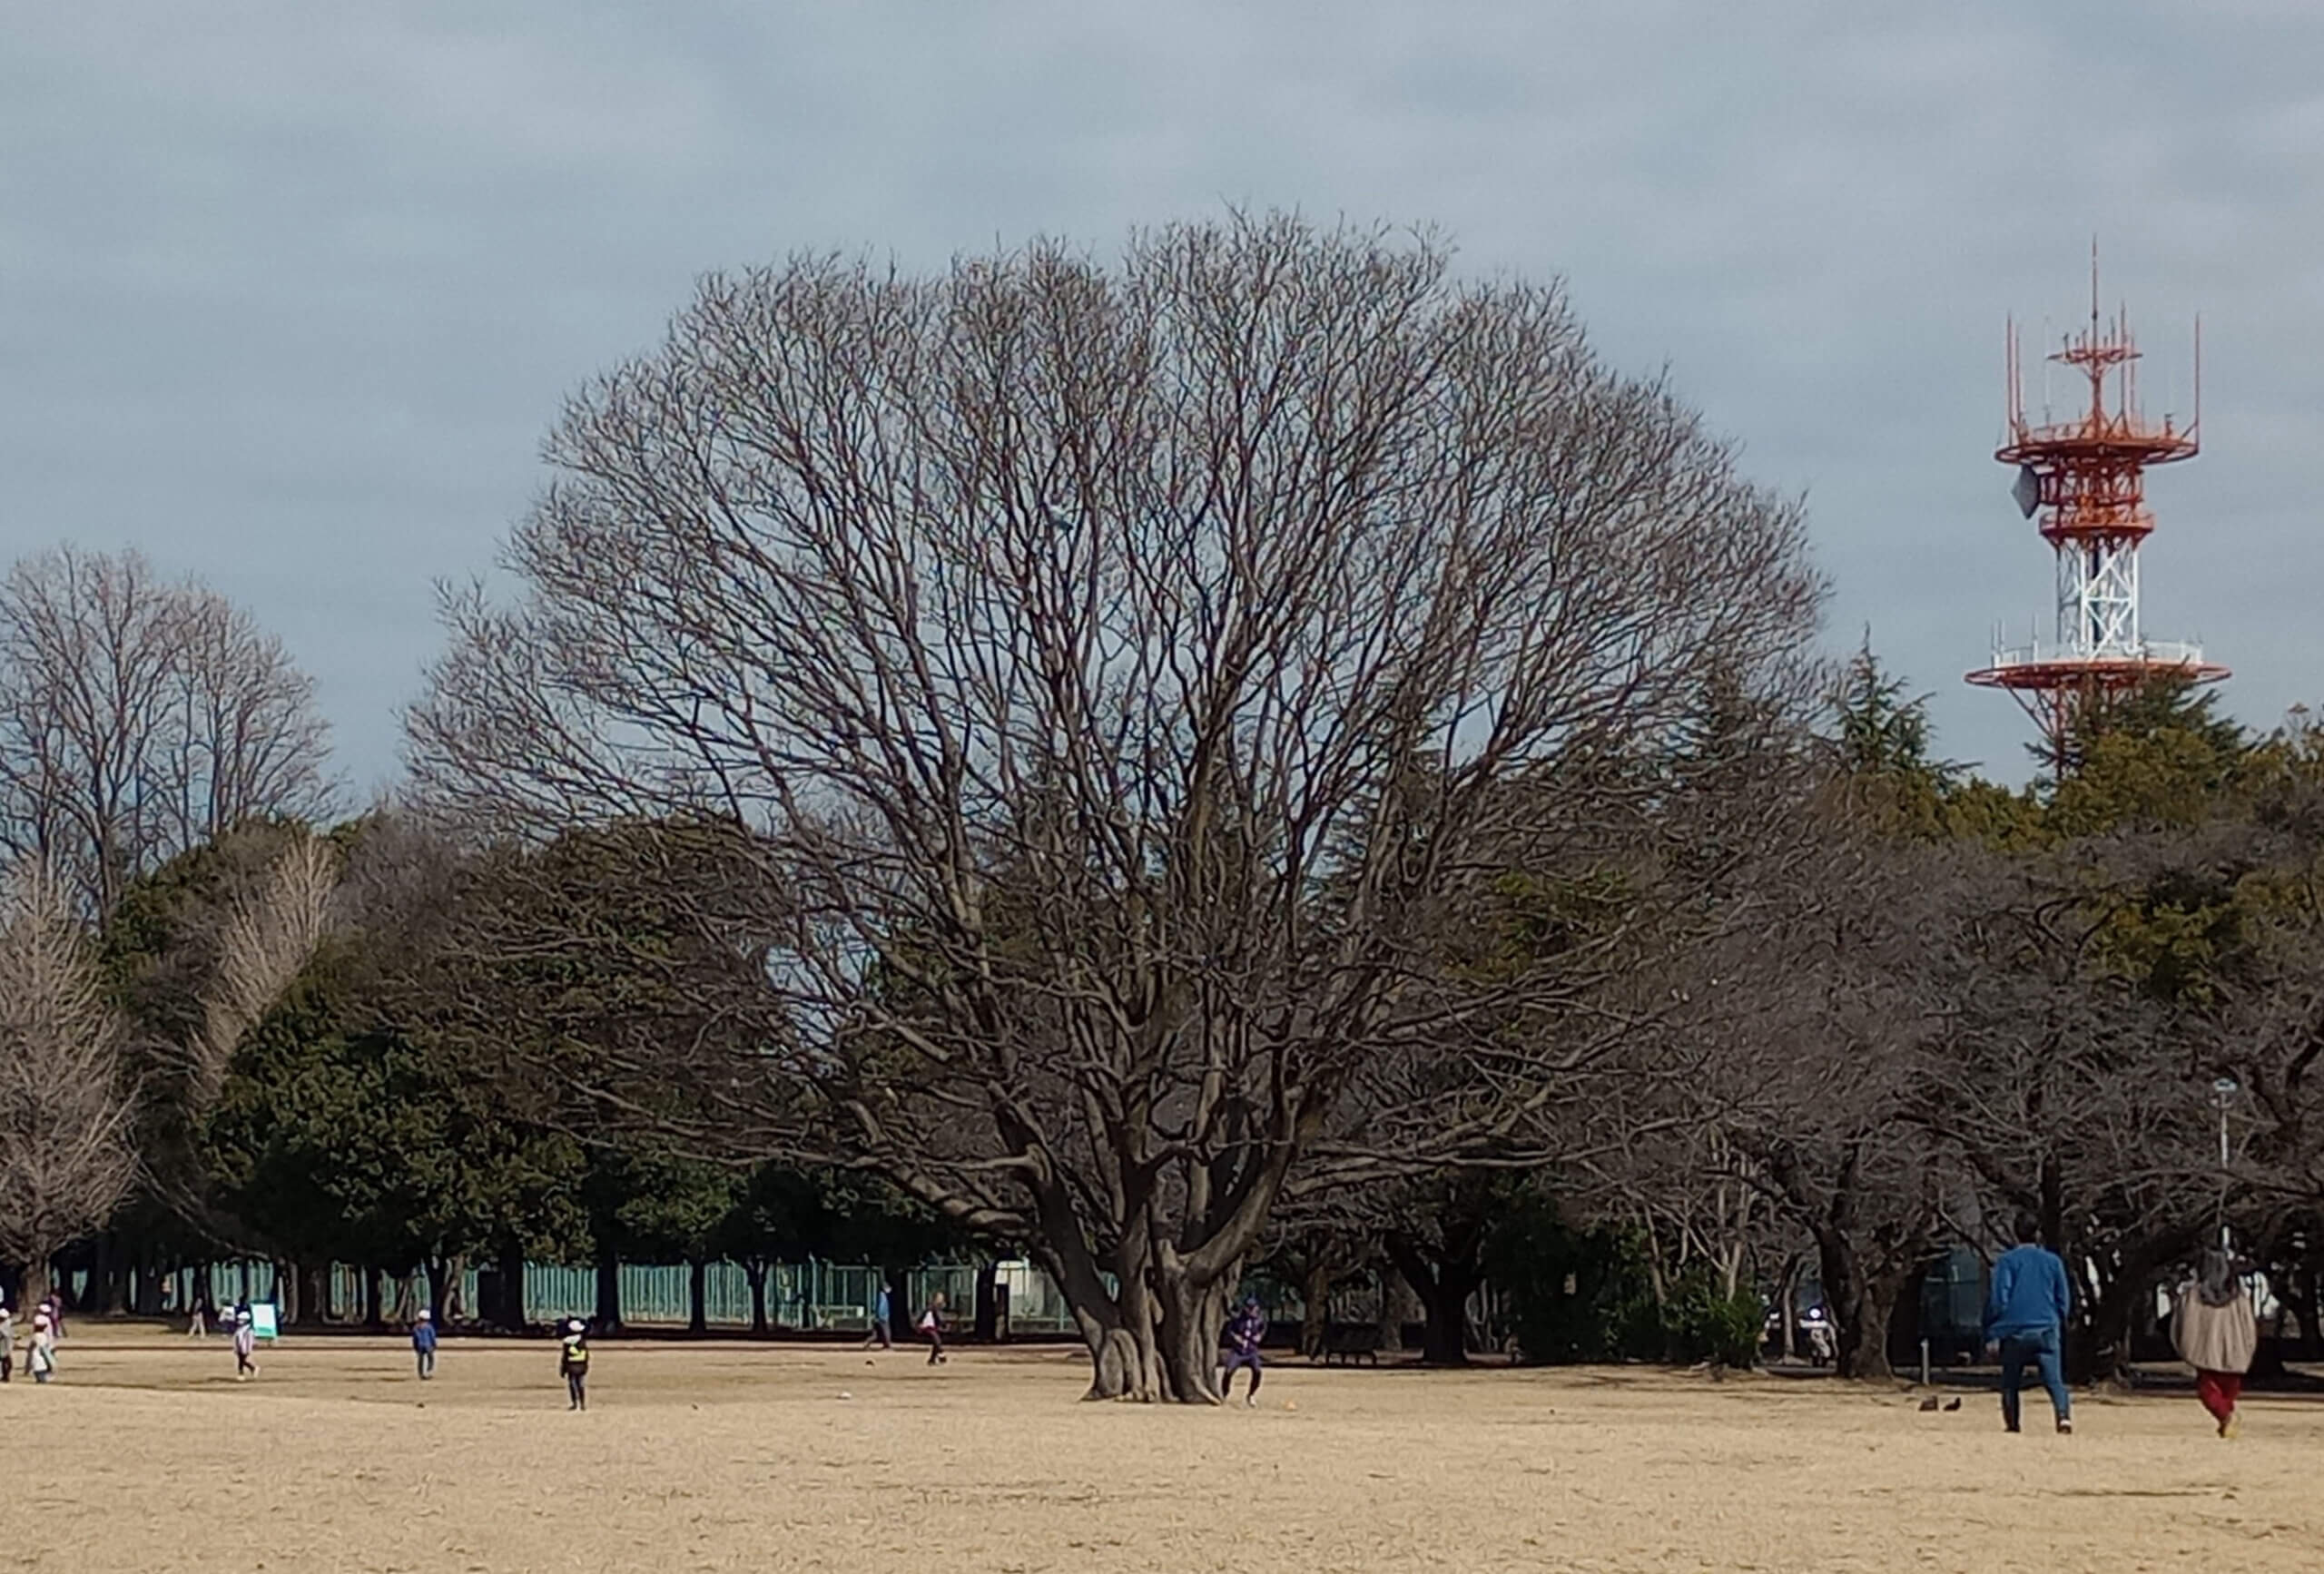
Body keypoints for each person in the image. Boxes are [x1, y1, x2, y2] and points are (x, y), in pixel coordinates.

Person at [1984, 1211, 2073, 1435]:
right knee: (2054, 1379)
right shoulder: (2053, 1262)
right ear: (2038, 1233)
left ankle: (2013, 1423)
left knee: (2011, 1380)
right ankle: (2063, 1416)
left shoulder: (2007, 1262)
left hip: (2015, 1329)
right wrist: (2060, 1319)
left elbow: (1999, 1298)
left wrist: (1993, 1327)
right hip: (2046, 1327)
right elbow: (2063, 1297)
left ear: (2016, 1233)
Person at [2172, 1247, 2258, 1438]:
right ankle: (2227, 1421)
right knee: (2228, 1392)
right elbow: (2249, 1326)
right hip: (2235, 1353)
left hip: (2205, 1353)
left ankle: (2227, 1418)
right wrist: (2247, 1347)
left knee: (2208, 1391)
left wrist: (2186, 1346)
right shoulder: (2239, 1297)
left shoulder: (2192, 1295)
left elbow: (2181, 1323)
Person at [1220, 1294, 1267, 1406]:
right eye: (1249, 1308)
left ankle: (1251, 1395)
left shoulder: (1259, 1319)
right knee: (1228, 1371)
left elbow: (1263, 1328)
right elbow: (1230, 1330)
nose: (1252, 1311)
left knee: (1257, 1371)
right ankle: (1224, 1393)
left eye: (1253, 1308)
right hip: (1238, 1351)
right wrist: (1235, 1337)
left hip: (1252, 1351)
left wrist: (1260, 1336)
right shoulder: (1238, 1319)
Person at [559, 1318, 590, 1411]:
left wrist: (563, 1369)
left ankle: (575, 1403)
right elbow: (586, 1355)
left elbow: (565, 1357)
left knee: (573, 1385)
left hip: (571, 1366)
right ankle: (582, 1403)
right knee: (581, 1384)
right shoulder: (582, 1341)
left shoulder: (567, 1342)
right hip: (581, 1366)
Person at [27, 1309, 56, 1384]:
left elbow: (33, 1345)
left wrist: (29, 1349)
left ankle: (41, 1379)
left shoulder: (36, 1335)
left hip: (36, 1353)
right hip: (42, 1353)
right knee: (41, 1366)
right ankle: (42, 1378)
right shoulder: (44, 1335)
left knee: (37, 1367)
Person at [918, 1292, 948, 1365]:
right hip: (927, 1327)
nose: (941, 1300)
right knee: (937, 1340)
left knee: (936, 1342)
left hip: (933, 1328)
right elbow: (937, 1318)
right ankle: (941, 1355)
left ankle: (932, 1359)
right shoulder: (932, 1308)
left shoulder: (937, 1308)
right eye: (939, 1298)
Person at [862, 1284, 893, 1351]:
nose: (889, 1289)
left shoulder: (880, 1295)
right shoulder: (883, 1296)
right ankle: (887, 1347)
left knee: (876, 1334)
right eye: (887, 1288)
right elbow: (882, 1307)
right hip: (882, 1318)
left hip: (878, 1317)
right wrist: (882, 1317)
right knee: (886, 1332)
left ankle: (866, 1343)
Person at [231, 1308, 259, 1381]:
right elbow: (236, 1338)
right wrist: (235, 1347)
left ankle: (242, 1374)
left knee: (241, 1361)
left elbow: (250, 1340)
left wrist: (249, 1349)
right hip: (239, 1347)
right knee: (242, 1361)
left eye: (241, 1320)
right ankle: (252, 1368)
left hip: (245, 1348)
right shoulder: (240, 1329)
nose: (239, 1321)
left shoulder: (249, 1330)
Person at [411, 1307, 438, 1381]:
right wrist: (434, 1344)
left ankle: (421, 1374)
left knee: (421, 1360)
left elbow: (415, 1339)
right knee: (431, 1359)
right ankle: (428, 1371)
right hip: (428, 1345)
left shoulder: (416, 1328)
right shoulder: (429, 1327)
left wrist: (415, 1347)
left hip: (420, 1346)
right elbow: (432, 1336)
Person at [0, 1302, 14, 1383]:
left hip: (6, 1346)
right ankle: (5, 1376)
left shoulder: (6, 1324)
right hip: (2, 1347)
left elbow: (9, 1333)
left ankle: (6, 1376)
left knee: (7, 1363)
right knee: (7, 1363)